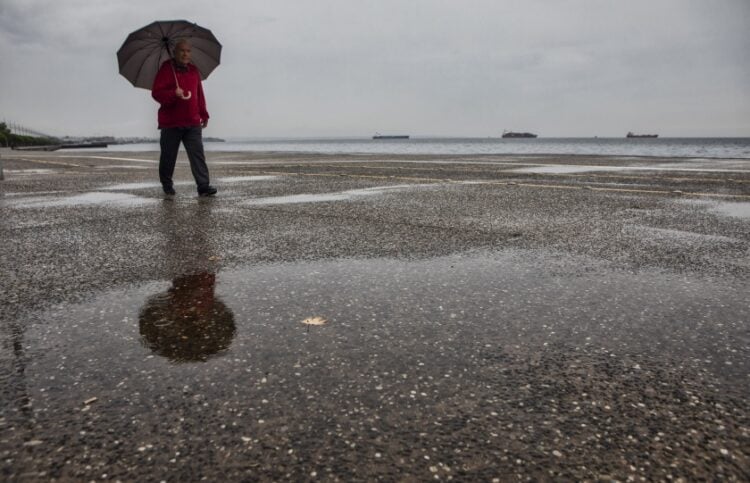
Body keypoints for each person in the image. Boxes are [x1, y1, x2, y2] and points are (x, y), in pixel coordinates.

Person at [151, 39, 217, 197]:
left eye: (188, 51)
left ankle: (203, 186)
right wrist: (173, 94)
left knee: (197, 155)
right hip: (171, 122)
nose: (185, 54)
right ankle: (167, 185)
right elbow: (156, 93)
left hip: (192, 121)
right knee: (168, 156)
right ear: (175, 52)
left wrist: (204, 113)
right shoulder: (166, 69)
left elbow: (198, 94)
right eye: (182, 50)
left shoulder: (194, 71)